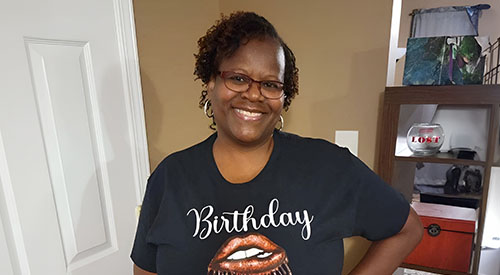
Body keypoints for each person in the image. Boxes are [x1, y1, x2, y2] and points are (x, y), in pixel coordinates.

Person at [131, 11, 423, 275]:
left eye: (270, 84)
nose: (254, 94)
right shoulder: (169, 177)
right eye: (238, 78)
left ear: (284, 97)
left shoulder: (329, 167)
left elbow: (406, 229)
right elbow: (145, 270)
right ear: (211, 83)